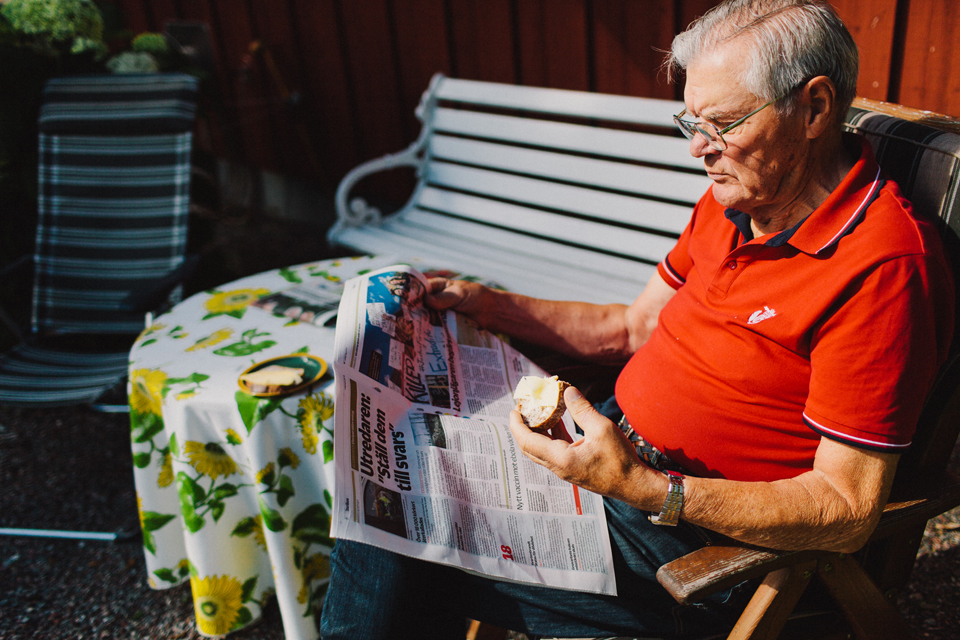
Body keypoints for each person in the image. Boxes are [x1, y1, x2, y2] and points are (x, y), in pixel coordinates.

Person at [320, 0, 956, 637]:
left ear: (814, 108)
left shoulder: (884, 269)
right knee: (389, 477)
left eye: (725, 123)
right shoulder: (742, 195)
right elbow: (632, 329)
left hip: (700, 543)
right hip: (609, 462)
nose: (699, 152)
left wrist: (647, 487)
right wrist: (487, 304)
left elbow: (845, 508)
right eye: (692, 123)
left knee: (391, 528)